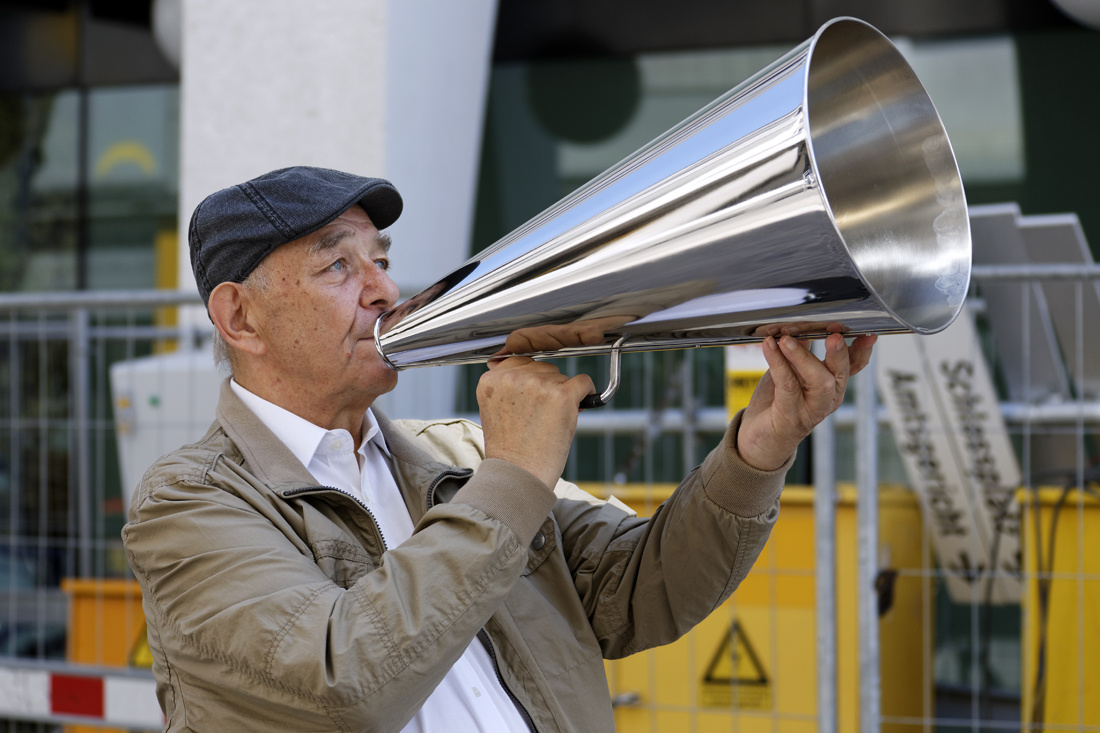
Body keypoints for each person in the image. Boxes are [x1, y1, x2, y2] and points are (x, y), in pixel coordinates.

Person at [122, 166, 875, 732]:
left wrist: (761, 445)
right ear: (240, 318)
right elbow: (341, 678)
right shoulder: (188, 501)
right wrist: (512, 474)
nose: (384, 289)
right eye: (338, 266)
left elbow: (642, 591)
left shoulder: (456, 453)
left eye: (380, 259)